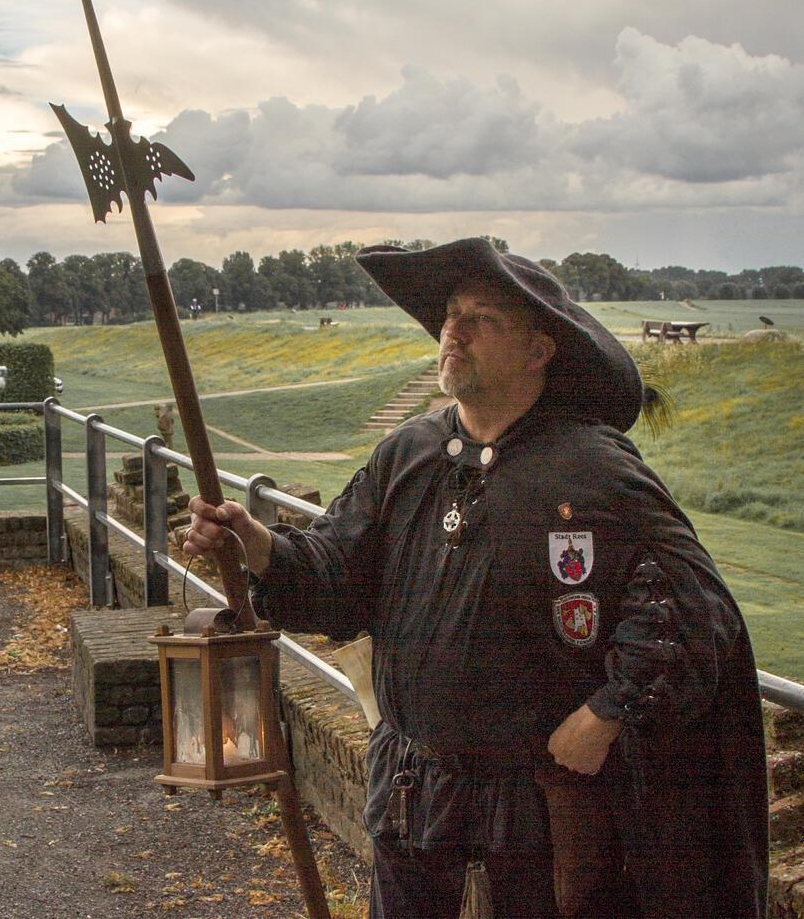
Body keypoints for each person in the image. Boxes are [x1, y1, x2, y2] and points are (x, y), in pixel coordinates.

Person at [185, 238, 768, 918]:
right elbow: (338, 574)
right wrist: (257, 544)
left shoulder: (594, 468)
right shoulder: (408, 453)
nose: (451, 331)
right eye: (449, 315)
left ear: (538, 350)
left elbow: (693, 607)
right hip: (414, 788)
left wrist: (609, 710)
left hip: (538, 811)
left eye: (479, 318)